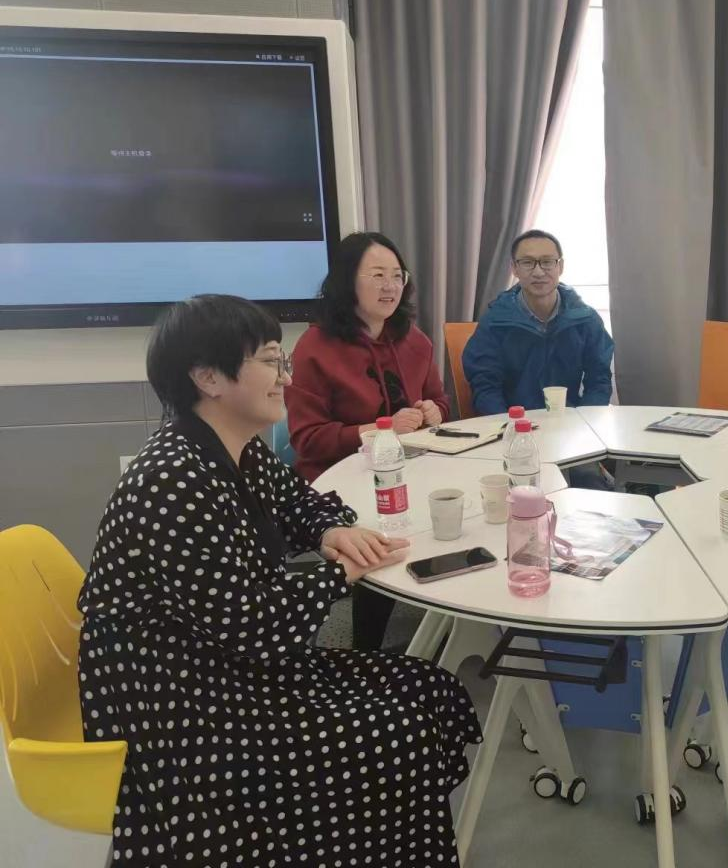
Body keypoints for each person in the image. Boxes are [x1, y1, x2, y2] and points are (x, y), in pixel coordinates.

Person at [78, 294, 480, 868]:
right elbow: (254, 627)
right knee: (397, 730)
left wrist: (330, 532)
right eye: (271, 361)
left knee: (428, 688)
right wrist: (339, 573)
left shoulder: (235, 449)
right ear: (208, 377)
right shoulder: (170, 479)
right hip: (178, 693)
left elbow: (300, 502)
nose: (286, 378)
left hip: (227, 656)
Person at [286, 231, 450, 649]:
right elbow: (308, 440)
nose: (390, 285)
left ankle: (453, 624)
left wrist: (434, 411)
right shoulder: (314, 347)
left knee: (455, 513)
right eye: (377, 275)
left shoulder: (414, 340)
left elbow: (440, 401)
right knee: (379, 537)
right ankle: (367, 650)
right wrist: (380, 430)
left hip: (411, 467)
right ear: (347, 281)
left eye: (397, 275)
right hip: (339, 478)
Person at [463, 229, 614, 416]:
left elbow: (599, 381)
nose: (538, 272)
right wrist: (507, 425)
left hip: (570, 424)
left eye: (547, 262)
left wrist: (585, 421)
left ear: (560, 267)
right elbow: (485, 387)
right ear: (514, 268)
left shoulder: (585, 319)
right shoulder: (495, 322)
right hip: (513, 424)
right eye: (527, 262)